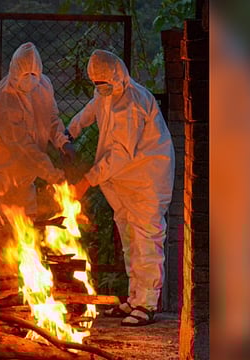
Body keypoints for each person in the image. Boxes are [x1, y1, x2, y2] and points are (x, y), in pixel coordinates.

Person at [67, 49, 175, 326]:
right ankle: (134, 299)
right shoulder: (107, 93)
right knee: (129, 237)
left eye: (104, 83)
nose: (100, 88)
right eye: (96, 84)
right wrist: (70, 131)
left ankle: (147, 304)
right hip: (123, 181)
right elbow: (92, 110)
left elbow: (121, 154)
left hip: (146, 180)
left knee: (146, 239)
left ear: (117, 76)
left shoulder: (133, 103)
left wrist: (86, 181)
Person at [0, 42, 72, 215]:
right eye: (24, 73)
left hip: (19, 174)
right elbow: (21, 146)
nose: (29, 78)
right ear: (13, 71)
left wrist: (63, 142)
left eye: (33, 73)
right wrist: (52, 175)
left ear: (40, 70)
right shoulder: (5, 99)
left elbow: (51, 118)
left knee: (26, 228)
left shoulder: (43, 86)